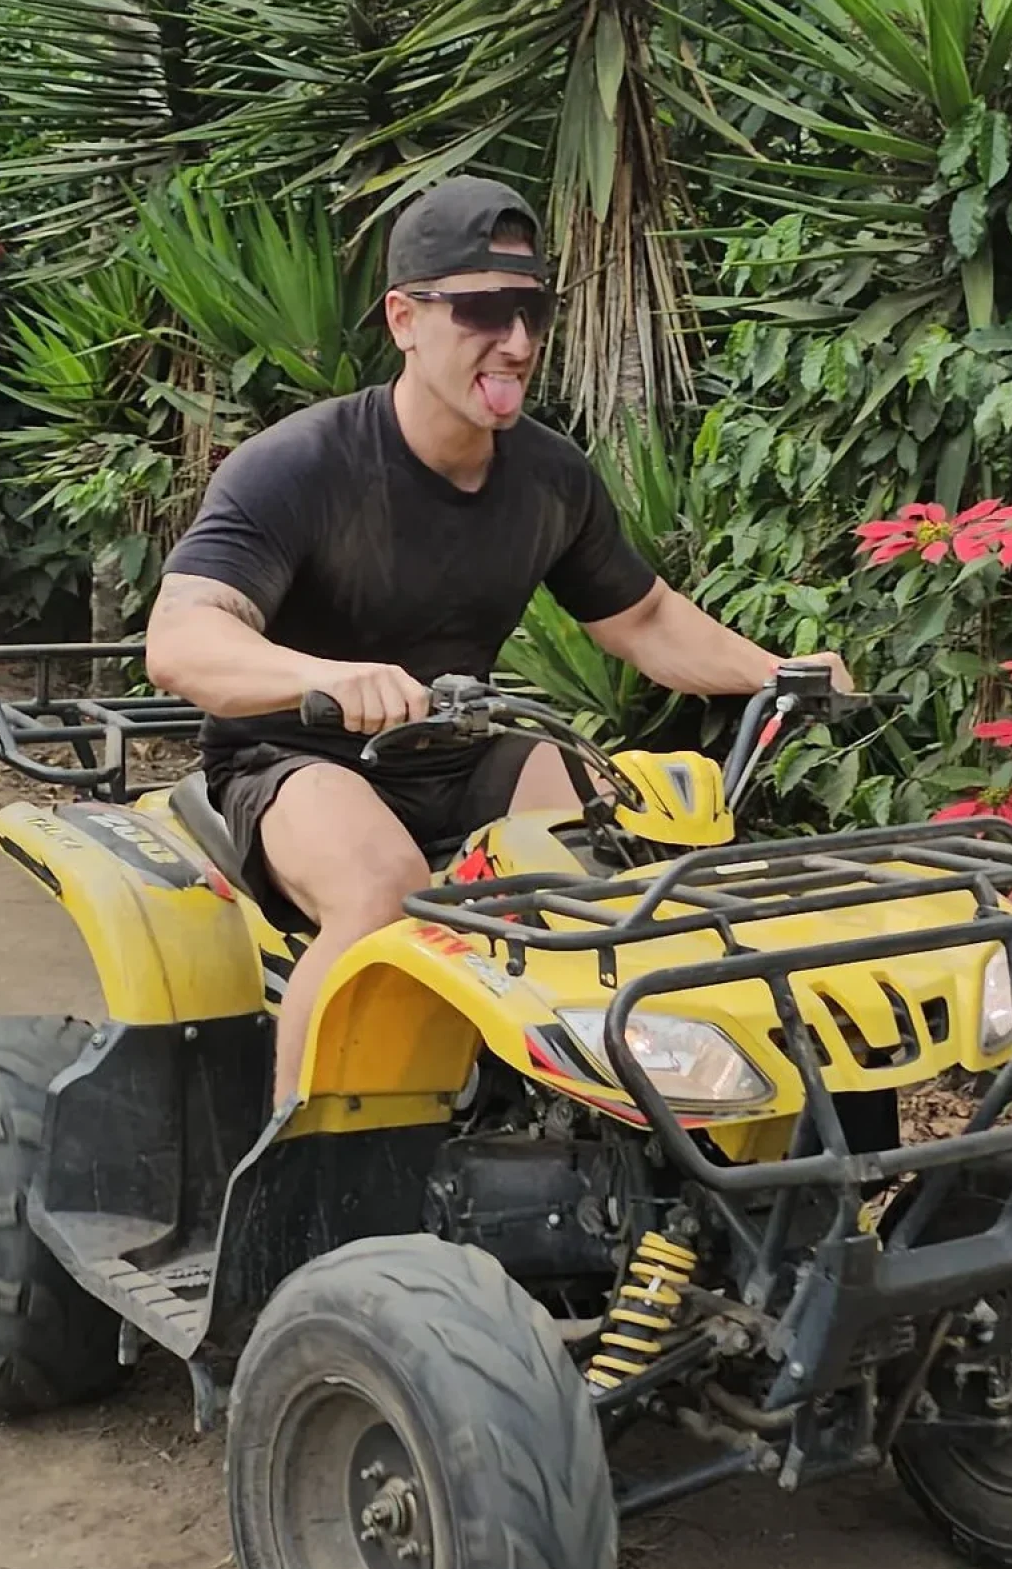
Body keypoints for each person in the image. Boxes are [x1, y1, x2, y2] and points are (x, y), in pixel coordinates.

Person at [145, 174, 848, 1098]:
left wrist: (779, 673)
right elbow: (182, 640)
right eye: (481, 310)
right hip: (293, 758)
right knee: (381, 893)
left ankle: (603, 1129)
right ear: (404, 318)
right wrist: (330, 677)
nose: (516, 342)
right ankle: (306, 1179)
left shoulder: (550, 476)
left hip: (454, 747)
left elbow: (639, 617)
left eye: (532, 310)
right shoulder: (299, 467)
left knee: (621, 860)